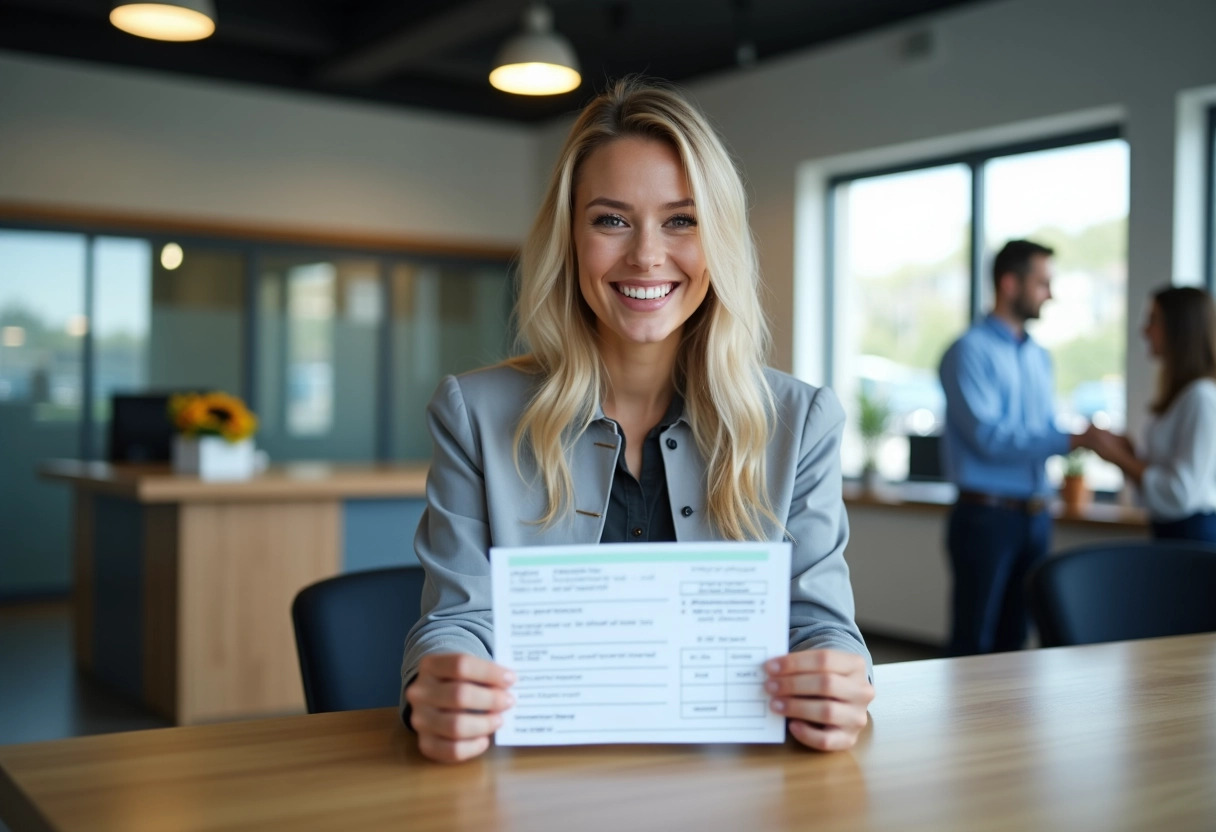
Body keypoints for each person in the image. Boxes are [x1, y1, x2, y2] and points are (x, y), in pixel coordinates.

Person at [400, 78, 874, 763]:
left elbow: (820, 623)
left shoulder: (800, 422)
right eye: (611, 220)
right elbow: (456, 619)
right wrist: (438, 681)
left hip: (736, 787)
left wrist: (839, 673)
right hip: (534, 784)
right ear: (570, 237)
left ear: (720, 240)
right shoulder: (473, 413)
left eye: (682, 220)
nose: (647, 256)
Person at [938, 240, 1094, 656]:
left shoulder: (1040, 357)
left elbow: (1038, 431)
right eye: (1043, 283)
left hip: (1036, 517)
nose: (1051, 294)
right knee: (974, 642)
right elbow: (988, 438)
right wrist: (1072, 439)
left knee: (1017, 644)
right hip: (985, 517)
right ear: (1010, 283)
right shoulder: (968, 351)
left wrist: (1079, 438)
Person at [1088, 286, 1216, 542]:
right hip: (1173, 531)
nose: (1144, 330)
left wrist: (1120, 458)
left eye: (1153, 320)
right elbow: (1162, 483)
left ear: (1180, 329)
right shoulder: (1183, 395)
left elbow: (1180, 494)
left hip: (1194, 536)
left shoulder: (1201, 397)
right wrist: (1129, 453)